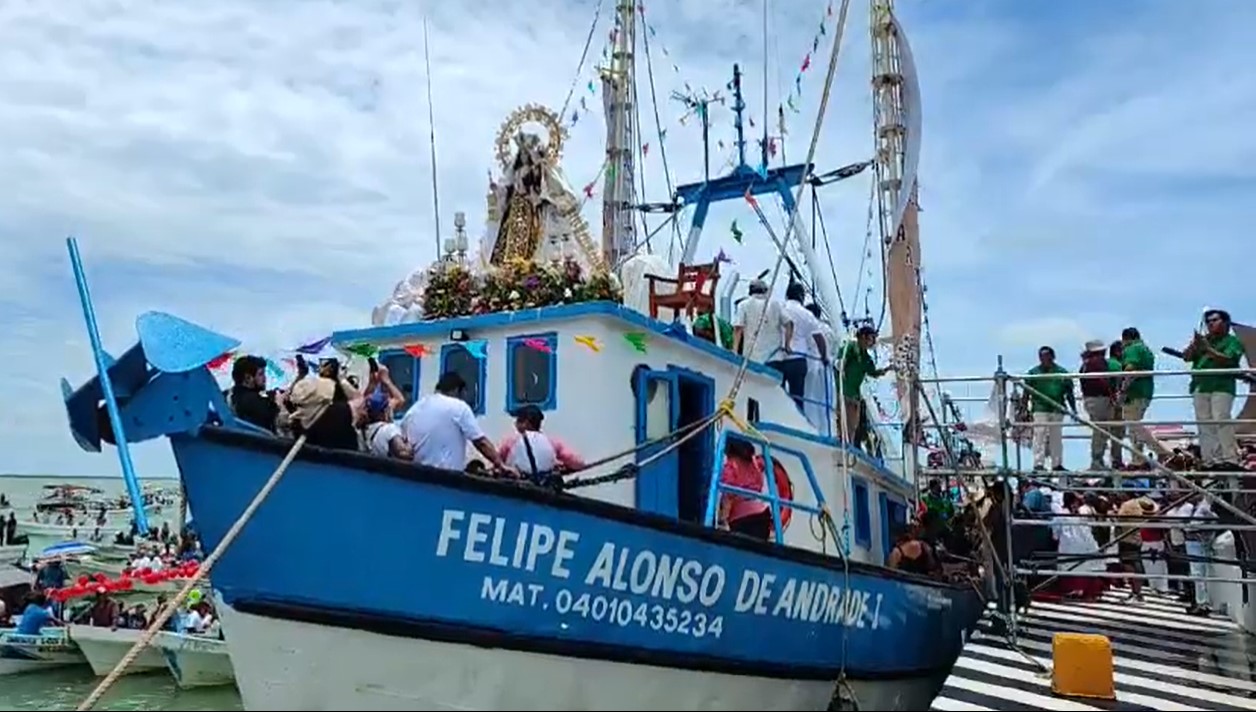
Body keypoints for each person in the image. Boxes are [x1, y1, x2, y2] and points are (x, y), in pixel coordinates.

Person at [401, 372, 511, 473]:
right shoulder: (459, 407)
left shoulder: (414, 409)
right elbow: (481, 443)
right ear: (457, 390)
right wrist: (501, 465)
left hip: (417, 476)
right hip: (446, 479)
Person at [1184, 309, 1246, 469]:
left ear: (1225, 323)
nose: (1210, 324)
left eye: (1215, 320)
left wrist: (1207, 349)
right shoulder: (1204, 341)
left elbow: (1228, 359)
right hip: (1200, 385)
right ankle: (1210, 459)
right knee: (1203, 422)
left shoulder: (1232, 341)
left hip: (1221, 386)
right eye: (1208, 321)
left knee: (1221, 418)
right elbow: (1187, 357)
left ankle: (1230, 457)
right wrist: (1195, 345)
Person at [288, 357, 361, 451]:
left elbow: (289, 398)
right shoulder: (338, 413)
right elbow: (359, 399)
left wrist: (301, 375)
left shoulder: (297, 419)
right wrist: (341, 379)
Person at [498, 405, 585, 483]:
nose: (515, 424)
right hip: (543, 486)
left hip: (516, 487)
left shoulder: (511, 441)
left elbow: (497, 462)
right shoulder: (553, 443)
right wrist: (561, 466)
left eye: (518, 421)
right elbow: (579, 463)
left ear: (526, 423)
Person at [1118, 327, 1165, 467]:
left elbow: (1130, 369)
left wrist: (1123, 389)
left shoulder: (1132, 349)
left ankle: (1160, 451)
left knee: (1133, 424)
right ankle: (1137, 459)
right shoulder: (1146, 350)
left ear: (1125, 339)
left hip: (1135, 391)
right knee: (1133, 426)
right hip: (1145, 390)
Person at [838, 325, 891, 444]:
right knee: (843, 419)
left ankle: (849, 445)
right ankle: (842, 442)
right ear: (863, 337)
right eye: (871, 338)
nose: (873, 342)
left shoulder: (866, 358)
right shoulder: (851, 346)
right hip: (844, 390)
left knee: (853, 424)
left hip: (855, 394)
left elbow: (873, 372)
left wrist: (887, 369)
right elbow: (841, 360)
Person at [776, 283, 825, 408]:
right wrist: (824, 357)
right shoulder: (806, 314)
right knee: (797, 399)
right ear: (802, 297)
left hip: (778, 358)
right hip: (797, 361)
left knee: (777, 396)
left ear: (787, 295)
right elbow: (819, 338)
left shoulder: (779, 308)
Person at [1027, 346, 1075, 471]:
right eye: (1041, 357)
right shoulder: (1033, 373)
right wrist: (1023, 408)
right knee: (1039, 435)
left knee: (1056, 436)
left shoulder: (1062, 373)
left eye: (1046, 356)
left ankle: (1057, 463)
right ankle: (1038, 464)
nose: (1044, 359)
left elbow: (1069, 392)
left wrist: (1073, 409)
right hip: (1039, 407)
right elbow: (1026, 392)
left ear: (1052, 357)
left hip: (1057, 407)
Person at [1079, 340, 1123, 472]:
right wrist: (1112, 395)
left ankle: (1098, 459)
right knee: (1101, 431)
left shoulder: (1086, 365)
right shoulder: (1098, 363)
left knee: (1100, 430)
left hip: (1091, 399)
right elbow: (1104, 381)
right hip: (1100, 399)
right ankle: (1097, 460)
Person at [716, 438, 772, 540]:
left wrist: (721, 520)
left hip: (742, 519)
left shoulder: (730, 466)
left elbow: (728, 496)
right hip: (762, 514)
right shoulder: (755, 464)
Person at [227, 355, 282, 433]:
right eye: (261, 374)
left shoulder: (232, 394)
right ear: (248, 378)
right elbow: (272, 414)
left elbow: (266, 395)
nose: (264, 378)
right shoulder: (251, 400)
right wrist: (279, 404)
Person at [733, 279, 784, 364]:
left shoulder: (743, 305)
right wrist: (787, 345)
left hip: (752, 358)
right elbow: (789, 324)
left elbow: (738, 328)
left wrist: (735, 350)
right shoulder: (775, 305)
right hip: (773, 357)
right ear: (765, 291)